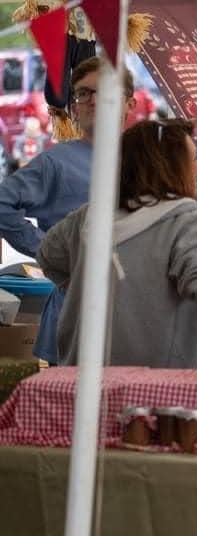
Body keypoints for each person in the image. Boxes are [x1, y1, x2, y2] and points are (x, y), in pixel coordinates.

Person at [37, 119, 197, 368]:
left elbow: (48, 256)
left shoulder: (88, 217)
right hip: (158, 395)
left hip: (85, 385)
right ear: (169, 167)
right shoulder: (186, 220)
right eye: (193, 160)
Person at [0, 56, 135, 364]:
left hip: (135, 311)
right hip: (75, 310)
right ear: (74, 107)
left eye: (105, 91)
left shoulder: (146, 161)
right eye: (84, 93)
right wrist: (47, 249)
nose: (93, 100)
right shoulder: (56, 162)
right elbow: (2, 203)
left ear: (129, 103)